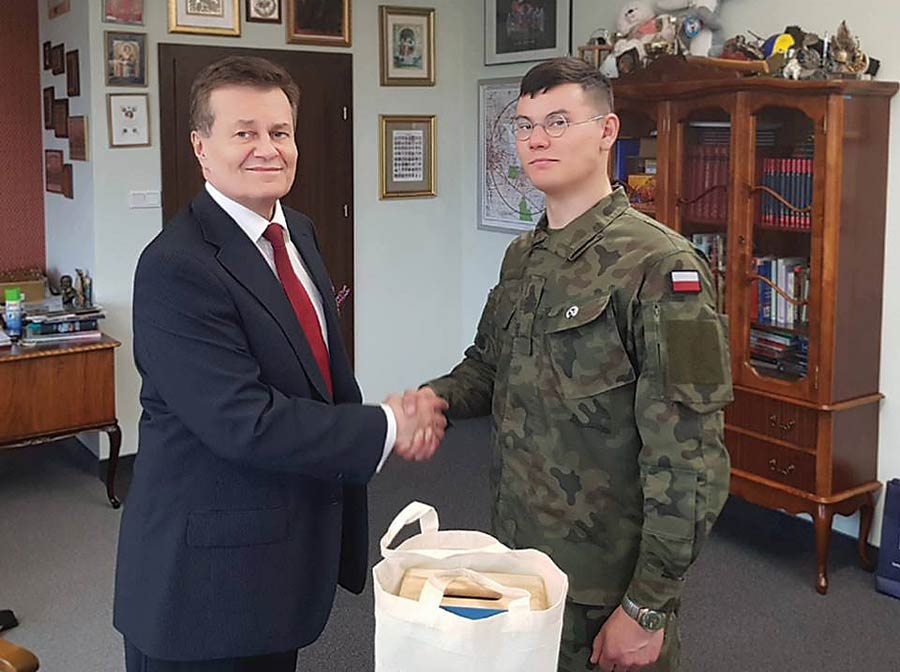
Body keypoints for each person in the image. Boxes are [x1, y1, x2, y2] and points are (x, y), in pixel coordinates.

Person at [113, 55, 447, 671]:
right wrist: (388, 425)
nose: (267, 149)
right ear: (201, 147)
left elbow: (318, 380)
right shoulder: (176, 267)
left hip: (277, 559)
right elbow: (244, 421)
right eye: (244, 132)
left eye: (280, 132)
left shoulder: (299, 232)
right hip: (202, 585)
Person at [407, 57, 732, 671]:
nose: (537, 139)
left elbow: (690, 458)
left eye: (558, 122)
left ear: (607, 131)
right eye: (525, 125)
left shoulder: (660, 266)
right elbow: (489, 366)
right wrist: (434, 398)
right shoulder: (524, 255)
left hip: (605, 584)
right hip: (520, 557)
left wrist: (648, 606)